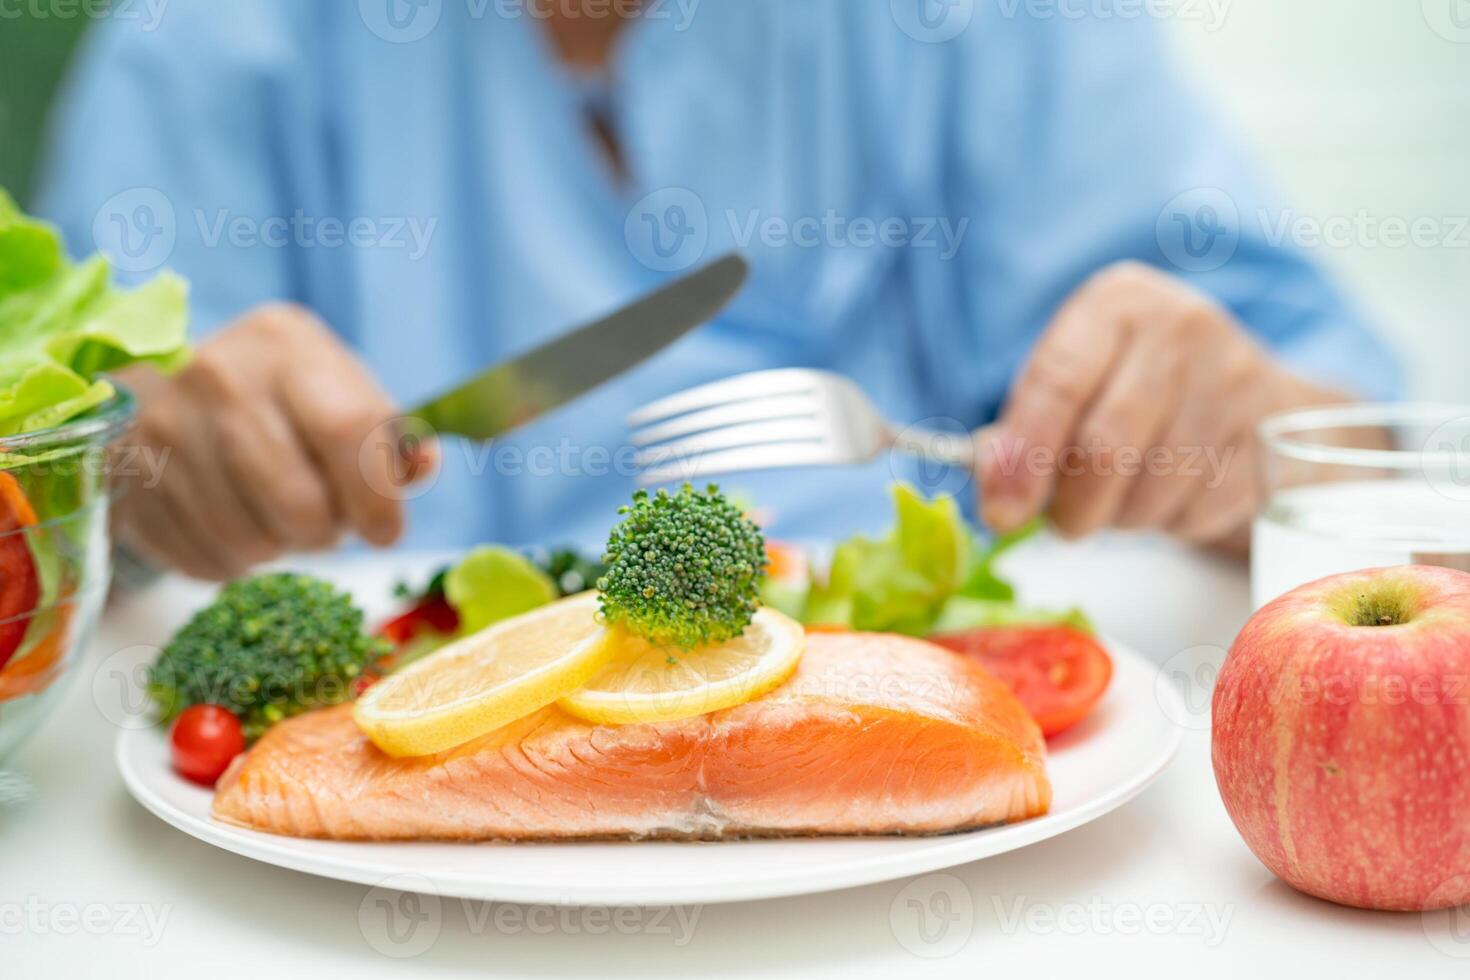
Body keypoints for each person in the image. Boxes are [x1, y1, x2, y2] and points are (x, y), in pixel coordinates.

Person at [37, 1, 1398, 580]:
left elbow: (1378, 483)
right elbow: (60, 504)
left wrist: (1253, 441)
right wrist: (141, 492)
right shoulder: (207, 41)